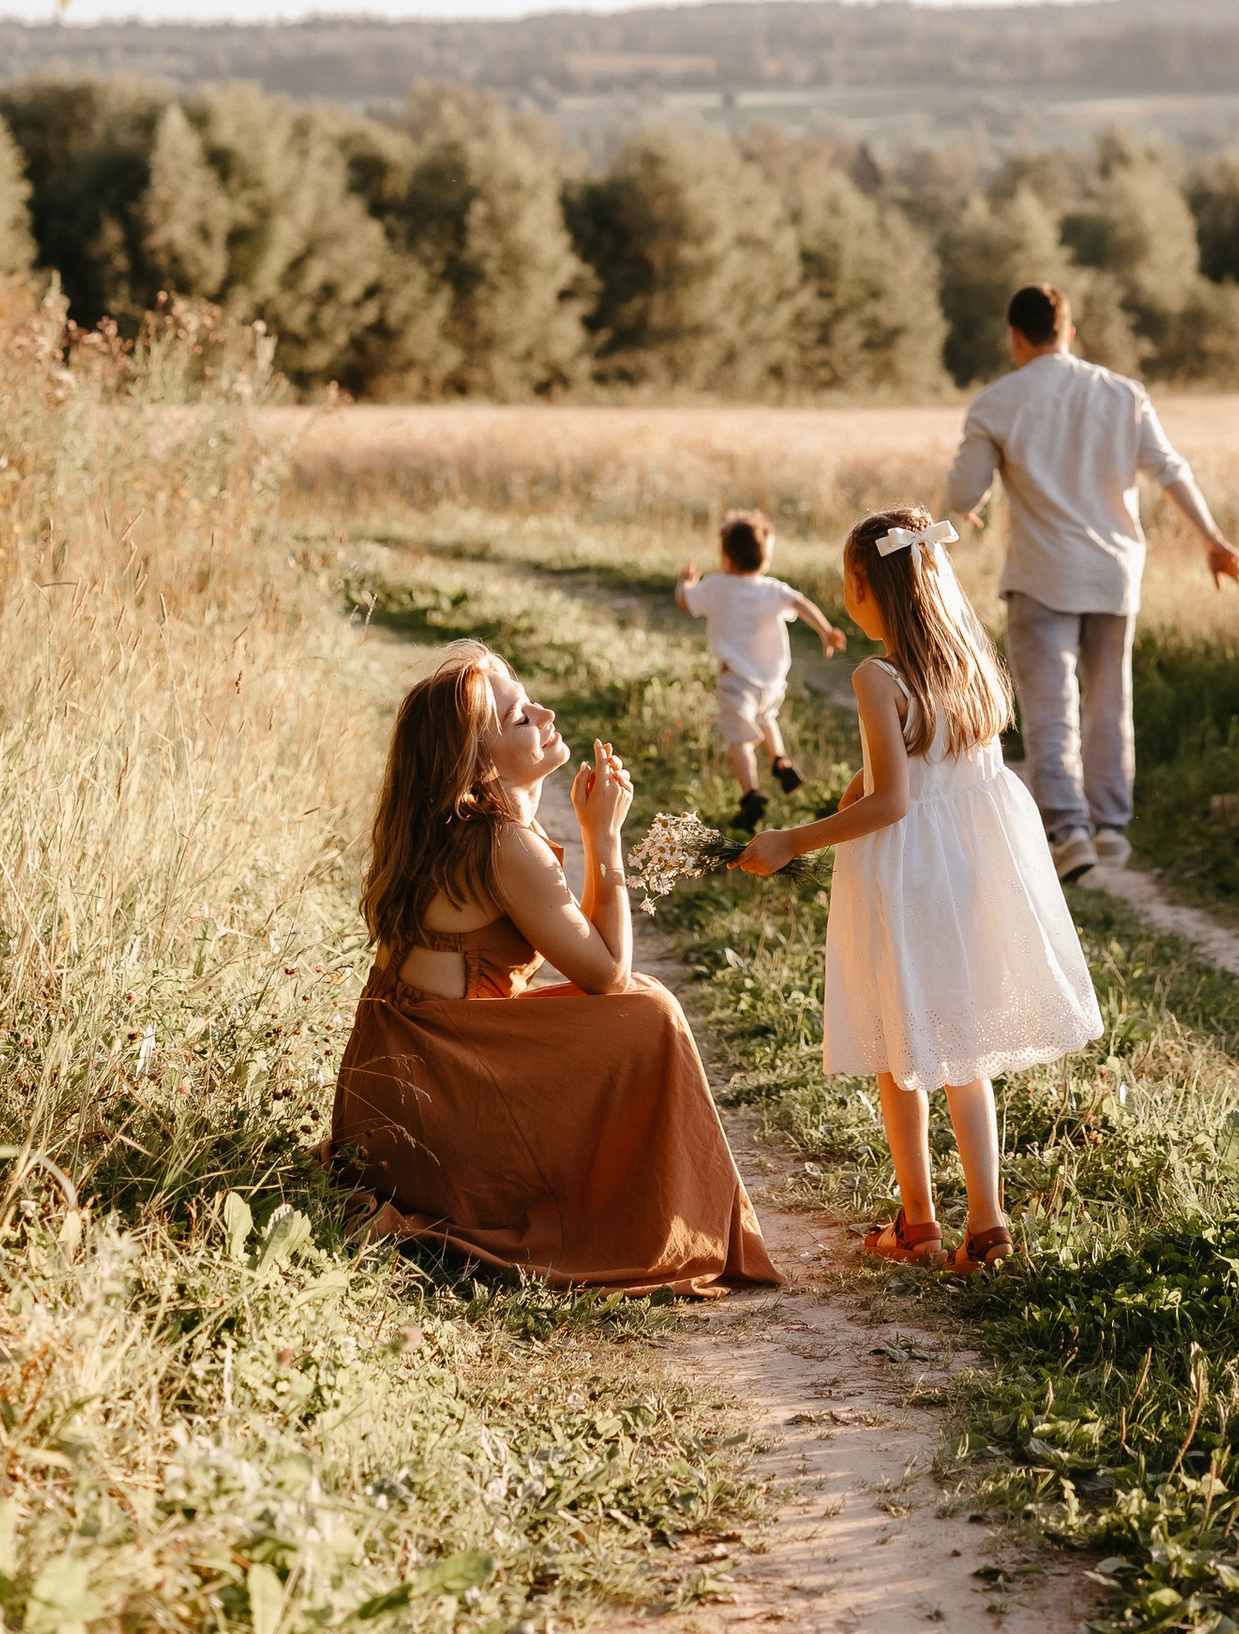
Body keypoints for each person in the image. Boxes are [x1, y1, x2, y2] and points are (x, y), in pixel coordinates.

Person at [329, 645, 776, 1293]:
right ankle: (664, 1214)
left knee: (636, 1006)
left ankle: (645, 1194)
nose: (544, 713)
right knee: (648, 1013)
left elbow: (591, 958)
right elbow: (608, 975)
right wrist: (605, 839)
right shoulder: (501, 844)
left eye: (530, 701)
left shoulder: (452, 827)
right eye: (518, 719)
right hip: (436, 1121)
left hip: (394, 1104)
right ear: (478, 762)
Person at [734, 504, 1099, 1275]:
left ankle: (919, 1220)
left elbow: (896, 805)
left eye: (846, 582)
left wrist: (788, 841)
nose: (843, 596)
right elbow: (934, 764)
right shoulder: (966, 656)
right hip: (971, 865)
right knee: (963, 1048)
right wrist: (865, 778)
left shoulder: (878, 676)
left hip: (905, 871)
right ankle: (989, 1226)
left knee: (901, 1043)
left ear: (869, 586)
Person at [940, 281, 1239, 883]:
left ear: (1015, 337)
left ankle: (1068, 828)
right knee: (1110, 700)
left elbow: (962, 494)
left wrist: (967, 505)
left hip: (1041, 573)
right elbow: (1169, 470)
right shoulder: (1123, 394)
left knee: (1052, 706)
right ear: (1069, 331)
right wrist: (1212, 538)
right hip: (1113, 572)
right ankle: (1110, 826)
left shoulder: (997, 402)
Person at [677, 509, 844, 829]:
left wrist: (685, 583)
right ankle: (781, 763)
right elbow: (802, 603)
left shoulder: (715, 586)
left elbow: (685, 601)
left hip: (736, 682)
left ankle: (751, 796)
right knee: (767, 718)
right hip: (771, 681)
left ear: (725, 557)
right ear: (764, 560)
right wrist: (825, 630)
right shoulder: (773, 588)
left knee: (739, 740)